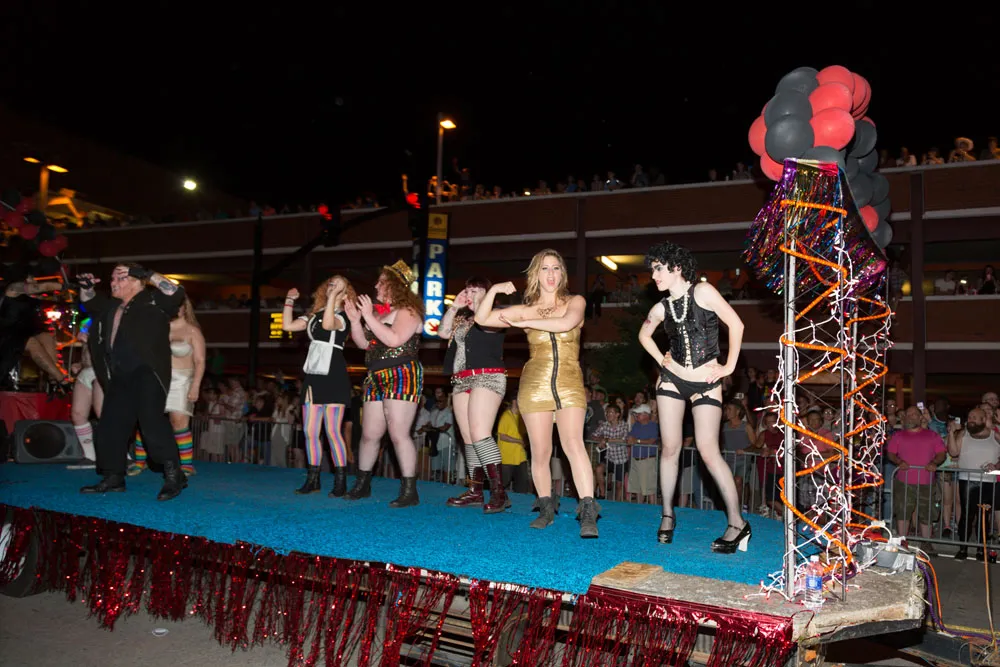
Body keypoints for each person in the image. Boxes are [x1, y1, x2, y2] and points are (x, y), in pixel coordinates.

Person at [475, 248, 599, 538]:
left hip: (569, 381)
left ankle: (588, 510)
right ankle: (546, 508)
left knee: (573, 443)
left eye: (556, 268)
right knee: (540, 451)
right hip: (534, 383)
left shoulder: (575, 302)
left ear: (562, 273)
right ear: (535, 274)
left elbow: (565, 324)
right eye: (544, 268)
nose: (551, 274)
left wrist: (526, 322)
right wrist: (493, 290)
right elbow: (482, 318)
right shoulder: (526, 309)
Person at [638, 241, 749, 553]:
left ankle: (737, 523)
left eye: (659, 268)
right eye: (652, 270)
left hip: (706, 380)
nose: (654, 275)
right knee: (670, 448)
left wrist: (729, 367)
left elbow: (736, 324)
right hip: (672, 380)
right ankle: (667, 515)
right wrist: (661, 360)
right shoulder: (661, 307)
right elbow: (644, 335)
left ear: (676, 267)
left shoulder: (703, 291)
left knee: (708, 451)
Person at [76, 263, 187, 500]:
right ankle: (113, 477)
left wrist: (147, 274)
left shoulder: (153, 301)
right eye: (112, 278)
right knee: (110, 425)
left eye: (120, 278)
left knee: (151, 423)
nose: (113, 282)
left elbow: (175, 292)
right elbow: (89, 301)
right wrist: (86, 287)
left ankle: (174, 474)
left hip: (147, 372)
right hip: (118, 374)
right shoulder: (111, 306)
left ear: (136, 282)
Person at [343, 260, 424, 507]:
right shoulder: (380, 313)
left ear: (394, 285)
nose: (376, 286)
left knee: (399, 433)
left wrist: (368, 316)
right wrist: (355, 320)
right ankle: (362, 484)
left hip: (401, 373)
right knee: (369, 434)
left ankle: (409, 491)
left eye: (381, 282)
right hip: (376, 375)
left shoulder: (408, 311)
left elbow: (394, 339)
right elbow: (364, 344)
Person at [439, 277, 509, 513]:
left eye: (475, 290)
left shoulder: (495, 314)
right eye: (467, 290)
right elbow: (443, 332)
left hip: (488, 376)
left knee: (480, 433)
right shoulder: (463, 319)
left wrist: (484, 302)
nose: (469, 294)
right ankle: (475, 490)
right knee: (468, 438)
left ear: (487, 293)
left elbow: (486, 325)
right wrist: (454, 307)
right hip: (461, 379)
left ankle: (499, 492)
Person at [281, 276, 356, 496]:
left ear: (345, 292)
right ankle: (313, 479)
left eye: (338, 284)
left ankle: (340, 482)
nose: (332, 285)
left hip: (334, 374)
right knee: (310, 431)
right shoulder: (315, 313)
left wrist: (332, 297)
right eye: (330, 283)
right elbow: (287, 325)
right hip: (313, 374)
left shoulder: (344, 316)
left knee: (332, 431)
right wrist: (289, 301)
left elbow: (328, 325)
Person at [128, 297, 206, 477]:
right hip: (157, 379)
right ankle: (140, 462)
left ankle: (186, 465)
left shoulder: (192, 331)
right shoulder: (159, 328)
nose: (173, 309)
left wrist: (195, 386)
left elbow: (200, 361)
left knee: (179, 423)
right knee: (146, 420)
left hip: (182, 381)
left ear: (185, 308)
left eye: (177, 306)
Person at [0, 275, 72, 393]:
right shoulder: (13, 288)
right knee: (31, 343)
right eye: (31, 278)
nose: (34, 280)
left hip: (26, 331)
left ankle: (53, 379)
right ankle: (62, 380)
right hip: (8, 334)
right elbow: (42, 287)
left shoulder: (32, 297)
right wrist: (67, 286)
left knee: (47, 337)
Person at [68, 321, 103, 467]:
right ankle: (90, 456)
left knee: (104, 414)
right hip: (86, 372)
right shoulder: (88, 321)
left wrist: (91, 340)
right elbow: (87, 353)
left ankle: (122, 455)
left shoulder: (111, 317)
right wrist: (80, 364)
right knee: (78, 415)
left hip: (102, 371)